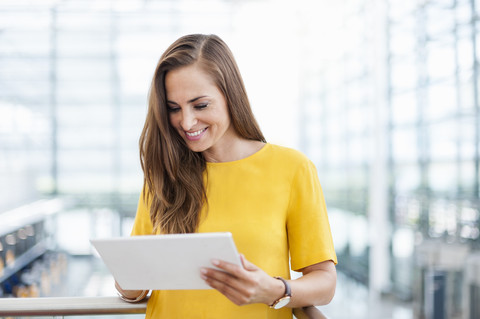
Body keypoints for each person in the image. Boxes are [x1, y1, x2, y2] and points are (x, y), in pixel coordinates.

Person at [115, 33, 337, 319]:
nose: (186, 122)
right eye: (174, 108)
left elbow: (325, 283)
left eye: (200, 105)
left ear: (230, 95)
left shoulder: (292, 168)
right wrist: (128, 286)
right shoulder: (164, 174)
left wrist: (275, 290)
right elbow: (136, 280)